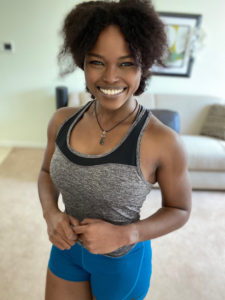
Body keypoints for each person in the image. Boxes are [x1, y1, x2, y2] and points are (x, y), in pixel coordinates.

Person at [38, 1, 192, 299]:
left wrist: (127, 233)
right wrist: (51, 214)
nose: (110, 77)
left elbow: (180, 209)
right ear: (82, 62)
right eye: (97, 62)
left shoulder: (163, 141)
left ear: (143, 66)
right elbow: (46, 173)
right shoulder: (61, 121)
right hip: (67, 251)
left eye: (126, 63)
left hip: (121, 262)